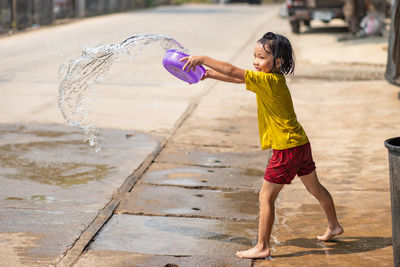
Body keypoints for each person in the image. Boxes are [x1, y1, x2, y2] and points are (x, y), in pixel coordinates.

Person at [180, 32, 343, 259]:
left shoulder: (268, 81)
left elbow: (234, 71)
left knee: (266, 197)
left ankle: (262, 246)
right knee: (315, 188)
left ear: (278, 62)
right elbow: (238, 78)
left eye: (262, 57)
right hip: (299, 143)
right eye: (254, 56)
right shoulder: (270, 79)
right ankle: (334, 225)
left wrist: (202, 59)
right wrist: (209, 74)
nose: (256, 61)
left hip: (286, 148)